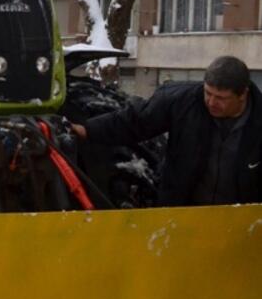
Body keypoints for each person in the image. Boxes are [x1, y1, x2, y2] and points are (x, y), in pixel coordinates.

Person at [71, 56, 262, 206]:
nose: (211, 102)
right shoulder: (180, 101)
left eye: (221, 98)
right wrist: (87, 130)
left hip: (241, 220)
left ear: (243, 94)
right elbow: (134, 122)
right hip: (183, 211)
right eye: (208, 93)